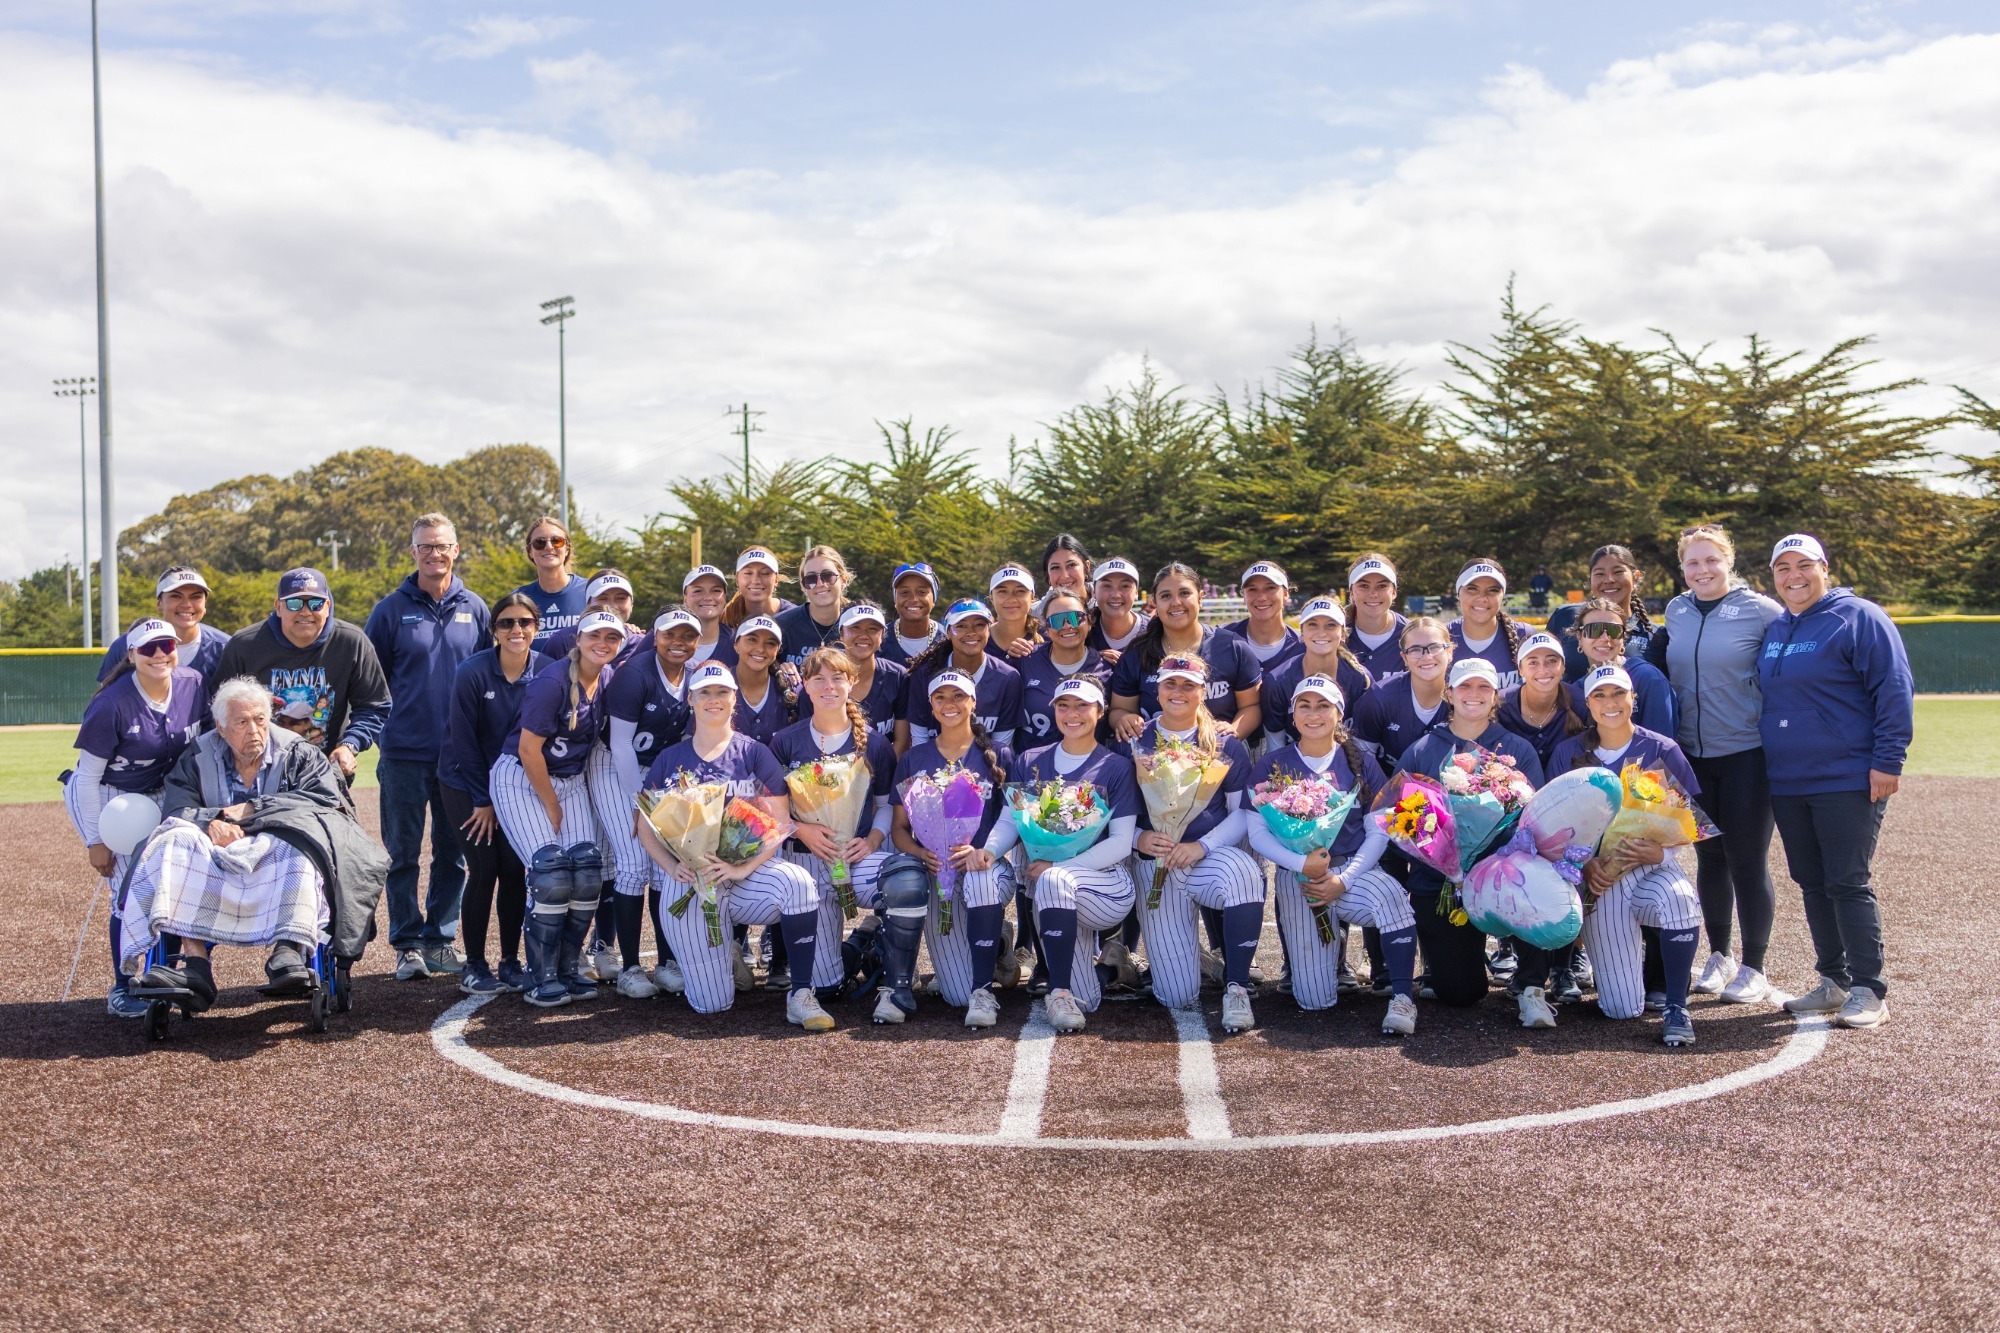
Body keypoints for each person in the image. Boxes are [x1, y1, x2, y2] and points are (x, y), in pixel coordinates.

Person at [124, 677, 388, 1007]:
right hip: (216, 860)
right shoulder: (197, 757)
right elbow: (176, 809)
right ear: (221, 728)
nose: (254, 730)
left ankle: (288, 953)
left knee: (301, 843)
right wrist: (210, 822)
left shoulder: (298, 753)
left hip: (278, 859)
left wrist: (256, 810)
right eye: (242, 722)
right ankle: (195, 965)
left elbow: (325, 802)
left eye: (260, 719)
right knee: (173, 839)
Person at [1761, 534, 1913, 1031]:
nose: (1793, 576)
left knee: (1847, 880)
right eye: (1783, 568)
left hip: (1846, 775)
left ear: (1825, 568)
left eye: (1804, 565)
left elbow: (1893, 689)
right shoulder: (1778, 626)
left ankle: (1869, 988)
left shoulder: (1859, 617)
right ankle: (1833, 981)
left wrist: (1888, 760)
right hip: (1787, 778)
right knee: (1811, 882)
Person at [632, 660, 833, 1032]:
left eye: (722, 692)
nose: (713, 699)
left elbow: (779, 824)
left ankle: (801, 994)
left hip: (746, 876)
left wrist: (741, 868)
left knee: (798, 883)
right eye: (704, 692)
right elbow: (645, 827)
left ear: (734, 699)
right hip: (693, 880)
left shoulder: (754, 753)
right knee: (712, 1005)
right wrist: (670, 866)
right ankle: (727, 958)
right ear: (691, 700)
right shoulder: (669, 759)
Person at [1642, 524, 1784, 1003]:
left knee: (1747, 860)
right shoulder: (1677, 612)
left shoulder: (1762, 610)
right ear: (1683, 569)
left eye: (1711, 560)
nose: (1702, 570)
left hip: (1747, 754)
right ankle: (1720, 956)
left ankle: (1755, 966)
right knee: (1709, 857)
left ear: (1729, 561)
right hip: (1693, 759)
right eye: (1692, 563)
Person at [1247, 675, 1420, 1035]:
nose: (1314, 714)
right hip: (1299, 879)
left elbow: (1378, 831)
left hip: (1349, 873)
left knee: (1392, 896)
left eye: (1323, 705)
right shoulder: (1271, 764)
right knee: (1314, 999)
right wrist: (1302, 864)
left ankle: (1403, 997)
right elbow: (1257, 833)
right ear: (1292, 715)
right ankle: (1329, 954)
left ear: (1338, 713)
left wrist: (1344, 879)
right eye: (1304, 706)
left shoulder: (1360, 761)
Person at [1546, 665, 1705, 1046]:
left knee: (1681, 900)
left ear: (1634, 698)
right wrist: (1583, 864)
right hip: (1599, 881)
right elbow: (1547, 825)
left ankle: (1677, 1007)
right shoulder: (1568, 752)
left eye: (1619, 693)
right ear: (1588, 704)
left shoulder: (1661, 748)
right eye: (1600, 695)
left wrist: (1660, 854)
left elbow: (1691, 821)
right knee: (1620, 1008)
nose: (1610, 703)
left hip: (1652, 869)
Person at [362, 514, 491, 981]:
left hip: (459, 755)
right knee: (401, 853)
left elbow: (486, 676)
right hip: (402, 752)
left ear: (456, 550)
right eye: (426, 546)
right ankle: (407, 944)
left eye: (443, 546)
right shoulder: (390, 610)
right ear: (412, 552)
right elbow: (370, 680)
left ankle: (440, 939)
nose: (435, 554)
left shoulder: (475, 608)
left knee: (454, 851)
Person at [65, 617, 208, 1017]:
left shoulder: (193, 683)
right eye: (148, 648)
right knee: (128, 891)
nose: (160, 653)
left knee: (176, 878)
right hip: (111, 795)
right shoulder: (111, 702)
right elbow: (87, 779)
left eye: (166, 645)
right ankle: (123, 985)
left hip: (162, 790)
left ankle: (168, 976)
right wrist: (96, 840)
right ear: (132, 654)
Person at [983, 676, 1139, 1034]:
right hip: (1055, 891)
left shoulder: (1116, 766)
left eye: (1083, 706)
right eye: (1064, 705)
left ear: (1100, 712)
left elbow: (1120, 842)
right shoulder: (1030, 760)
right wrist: (989, 851)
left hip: (1105, 886)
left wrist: (1060, 865)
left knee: (1052, 879)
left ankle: (1058, 993)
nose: (1072, 714)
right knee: (1092, 998)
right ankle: (1113, 967)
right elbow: (1010, 820)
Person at [1387, 658, 1545, 1008]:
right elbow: (1396, 823)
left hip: (1505, 878)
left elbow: (1537, 821)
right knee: (1462, 993)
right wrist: (1444, 863)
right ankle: (1460, 962)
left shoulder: (1516, 750)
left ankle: (1531, 983)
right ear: (1449, 694)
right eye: (1464, 686)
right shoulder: (1423, 749)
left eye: (1483, 687)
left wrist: (1495, 861)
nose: (1474, 694)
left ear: (1495, 696)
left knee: (1546, 878)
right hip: (1443, 884)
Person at [487, 610, 626, 1008]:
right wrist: (551, 804)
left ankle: (567, 965)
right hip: (524, 779)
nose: (603, 643)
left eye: (612, 638)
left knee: (587, 870)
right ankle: (540, 974)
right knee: (550, 873)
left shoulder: (608, 677)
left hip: (568, 780)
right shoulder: (552, 682)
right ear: (578, 639)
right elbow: (529, 750)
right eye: (595, 635)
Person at [1124, 656, 1264, 1033]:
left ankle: (1237, 986)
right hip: (1156, 863)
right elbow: (1120, 812)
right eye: (1171, 684)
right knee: (1176, 995)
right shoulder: (1136, 740)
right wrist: (1140, 838)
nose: (1178, 692)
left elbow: (1242, 814)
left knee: (1246, 873)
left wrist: (1202, 846)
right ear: (1157, 689)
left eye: (1188, 685)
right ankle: (1194, 960)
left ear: (1203, 692)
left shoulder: (1224, 742)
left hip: (1206, 859)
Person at [770, 649, 899, 1015]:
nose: (829, 686)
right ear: (805, 686)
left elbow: (886, 804)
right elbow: (769, 808)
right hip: (805, 860)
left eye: (838, 678)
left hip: (857, 856)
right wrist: (800, 829)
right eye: (819, 679)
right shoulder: (785, 740)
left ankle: (894, 976)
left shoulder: (873, 743)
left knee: (905, 880)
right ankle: (860, 942)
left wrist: (873, 840)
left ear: (852, 683)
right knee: (827, 989)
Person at [888, 671, 1018, 1026]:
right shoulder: (915, 758)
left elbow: (1017, 821)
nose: (950, 704)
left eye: (958, 696)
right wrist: (920, 854)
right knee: (954, 995)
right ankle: (997, 942)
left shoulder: (999, 754)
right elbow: (899, 829)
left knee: (981, 882)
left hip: (986, 868)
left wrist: (984, 850)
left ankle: (984, 990)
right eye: (940, 697)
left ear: (973, 702)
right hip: (937, 874)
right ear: (931, 706)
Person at [440, 593, 550, 996]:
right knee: (483, 869)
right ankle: (474, 964)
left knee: (514, 871)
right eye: (506, 623)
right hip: (465, 783)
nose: (516, 630)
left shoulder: (549, 671)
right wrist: (484, 801)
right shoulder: (472, 671)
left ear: (536, 628)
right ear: (494, 630)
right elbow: (463, 742)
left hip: (518, 787)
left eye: (524, 622)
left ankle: (509, 960)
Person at [596, 607, 699, 998]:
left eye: (687, 636)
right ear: (655, 636)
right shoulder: (635, 673)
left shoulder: (692, 674)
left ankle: (667, 962)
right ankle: (630, 968)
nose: (679, 642)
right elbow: (621, 744)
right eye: (671, 634)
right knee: (634, 861)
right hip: (615, 767)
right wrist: (637, 804)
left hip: (656, 772)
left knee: (664, 865)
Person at [211, 567, 390, 784]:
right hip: (258, 774)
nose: (305, 612)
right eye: (294, 603)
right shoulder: (245, 645)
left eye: (315, 603)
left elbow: (373, 706)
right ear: (278, 607)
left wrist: (349, 745)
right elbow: (219, 712)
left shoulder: (351, 642)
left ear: (327, 606)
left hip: (324, 770)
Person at [1108, 563, 1262, 743]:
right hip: (1153, 760)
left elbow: (1252, 706)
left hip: (1218, 758)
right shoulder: (1137, 654)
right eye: (1166, 596)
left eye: (1184, 593)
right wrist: (1124, 720)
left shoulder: (1233, 647)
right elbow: (1119, 710)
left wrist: (1233, 732)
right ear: (1155, 602)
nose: (1176, 603)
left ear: (1200, 597)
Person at [898, 599, 1024, 749]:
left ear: (988, 630)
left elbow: (1002, 746)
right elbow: (919, 742)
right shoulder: (924, 674)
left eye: (979, 625)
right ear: (949, 632)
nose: (971, 632)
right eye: (961, 626)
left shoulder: (1008, 678)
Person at [1260, 596, 1371, 748]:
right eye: (1313, 625)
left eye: (1330, 625)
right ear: (1302, 633)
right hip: (1291, 767)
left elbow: (1364, 745)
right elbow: (1275, 746)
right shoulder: (1277, 681)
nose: (1321, 633)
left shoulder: (1360, 678)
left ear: (1343, 634)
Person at [96, 567, 231, 687]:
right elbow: (104, 700)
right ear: (159, 604)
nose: (187, 604)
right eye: (176, 596)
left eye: (196, 597)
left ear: (205, 604)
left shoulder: (226, 647)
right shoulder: (127, 644)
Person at [1350, 616, 1454, 770]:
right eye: (1415, 650)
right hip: (1386, 789)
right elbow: (1362, 766)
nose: (1426, 656)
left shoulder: (1463, 697)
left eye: (1434, 647)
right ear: (1404, 657)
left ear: (1450, 651)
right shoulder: (1378, 699)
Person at [1014, 589, 1112, 752]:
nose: (1067, 626)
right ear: (1047, 628)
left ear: (1088, 621)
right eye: (1057, 620)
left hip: (1089, 772)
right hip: (1032, 771)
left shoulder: (1108, 669)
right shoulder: (1024, 660)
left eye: (1075, 618)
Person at [1545, 544, 1658, 679]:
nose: (1609, 580)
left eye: (1618, 572)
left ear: (1636, 577)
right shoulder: (1565, 617)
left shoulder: (1654, 635)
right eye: (1599, 574)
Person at [1572, 597, 1676, 736]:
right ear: (1579, 637)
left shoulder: (1649, 680)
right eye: (1594, 629)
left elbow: (1661, 747)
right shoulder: (1578, 688)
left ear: (1623, 638)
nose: (1604, 638)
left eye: (1613, 630)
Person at [1446, 558, 1529, 689]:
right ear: (1458, 593)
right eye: (1472, 588)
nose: (1482, 598)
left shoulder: (1525, 635)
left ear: (1503, 596)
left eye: (1493, 590)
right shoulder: (1441, 638)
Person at [835, 603, 908, 746]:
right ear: (841, 634)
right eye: (855, 627)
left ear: (881, 637)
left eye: (873, 629)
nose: (863, 635)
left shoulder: (897, 676)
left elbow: (902, 742)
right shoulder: (822, 675)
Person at [513, 515, 588, 652]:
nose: (548, 547)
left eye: (557, 541)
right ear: (530, 552)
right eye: (539, 543)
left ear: (567, 549)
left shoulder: (590, 591)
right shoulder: (519, 598)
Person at [775, 545, 853, 667]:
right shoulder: (782, 626)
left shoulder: (856, 626)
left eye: (828, 576)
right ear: (803, 586)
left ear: (843, 580)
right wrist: (777, 669)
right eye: (810, 579)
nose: (820, 583)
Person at [538, 570, 642, 659]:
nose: (612, 606)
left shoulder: (643, 643)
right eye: (603, 598)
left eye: (620, 598)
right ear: (588, 603)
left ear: (631, 604)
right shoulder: (561, 640)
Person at [1219, 561, 1303, 670]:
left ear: (1286, 594)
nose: (1261, 597)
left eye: (1270, 588)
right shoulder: (1220, 639)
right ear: (1244, 595)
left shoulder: (1303, 646)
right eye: (1252, 589)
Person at [728, 615, 796, 747]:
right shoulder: (717, 684)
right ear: (736, 644)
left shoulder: (792, 687)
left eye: (770, 643)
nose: (760, 649)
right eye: (752, 640)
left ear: (778, 650)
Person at [1343, 554, 1408, 684]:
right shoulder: (1333, 633)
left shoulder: (1411, 635)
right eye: (1364, 586)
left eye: (1382, 586)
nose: (1373, 594)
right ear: (1351, 592)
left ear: (1394, 591)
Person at [1084, 556, 1148, 664]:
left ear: (1136, 592)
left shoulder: (1153, 632)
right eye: (1107, 586)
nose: (1116, 595)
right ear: (1094, 592)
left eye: (1125, 586)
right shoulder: (1083, 632)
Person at [880, 562, 943, 667]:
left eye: (922, 592)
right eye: (905, 592)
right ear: (895, 600)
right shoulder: (879, 641)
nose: (913, 599)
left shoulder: (949, 642)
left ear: (933, 599)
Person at [680, 564, 738, 666]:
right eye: (698, 591)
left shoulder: (738, 643)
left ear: (724, 598)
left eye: (716, 590)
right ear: (685, 600)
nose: (708, 597)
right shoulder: (663, 637)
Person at [722, 546, 794, 626]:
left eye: (765, 573)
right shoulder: (723, 621)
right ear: (737, 579)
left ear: (776, 580)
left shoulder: (796, 618)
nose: (756, 580)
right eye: (748, 573)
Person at [988, 564, 1043, 662]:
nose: (1012, 599)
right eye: (1003, 591)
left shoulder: (1049, 639)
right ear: (991, 598)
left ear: (1032, 597)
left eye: (1020, 591)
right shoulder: (978, 640)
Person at [1042, 534, 1092, 604]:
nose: (1064, 576)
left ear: (1086, 567)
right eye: (1055, 567)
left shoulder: (1107, 603)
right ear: (1048, 575)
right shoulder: (1036, 613)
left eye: (1071, 565)